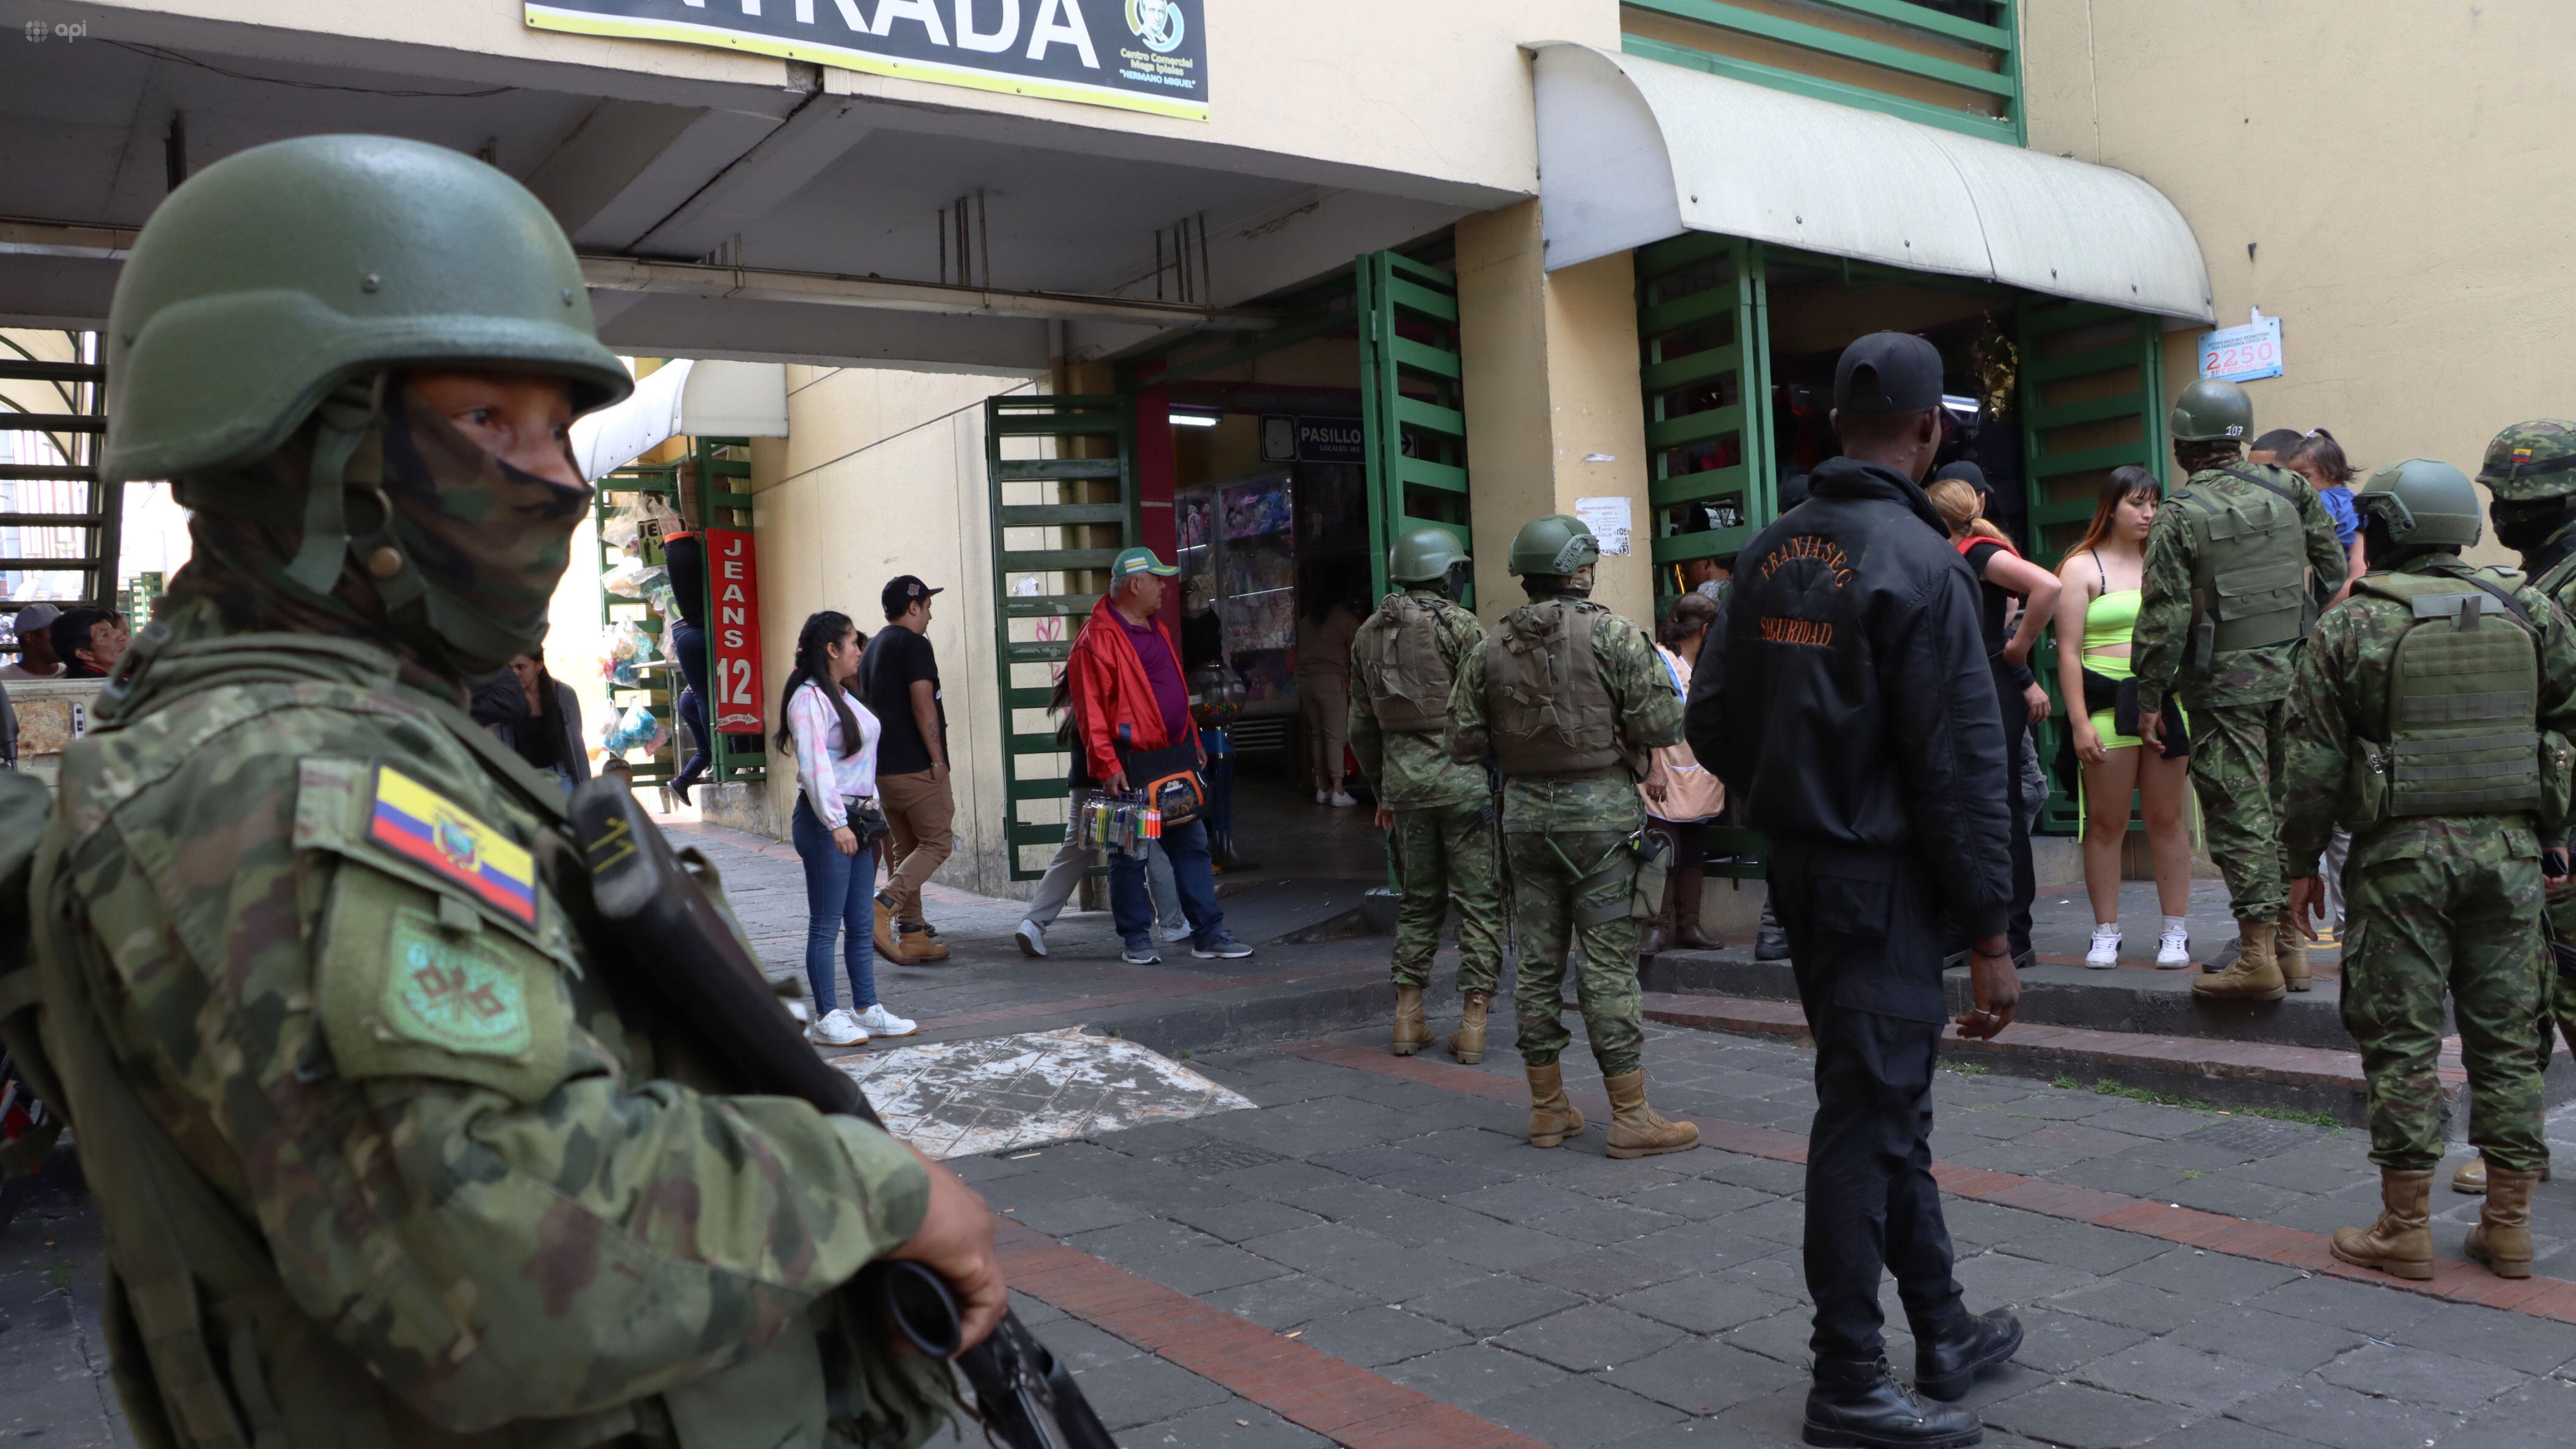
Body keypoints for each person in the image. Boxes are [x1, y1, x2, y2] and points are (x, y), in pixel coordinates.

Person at [1, 135, 986, 1445]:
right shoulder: (281, 776)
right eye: (488, 421)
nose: (560, 480)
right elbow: (503, 1262)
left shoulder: (333, 728)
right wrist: (877, 1187)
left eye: (560, 429)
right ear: (304, 446)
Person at [1690, 331, 2024, 1445]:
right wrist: (1989, 927)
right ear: (1928, 432)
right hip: (1878, 879)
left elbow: (1709, 718)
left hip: (1805, 868)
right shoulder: (1926, 562)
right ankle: (1846, 1378)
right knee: (1863, 1120)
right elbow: (1959, 763)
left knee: (1885, 1107)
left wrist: (1793, 787)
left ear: (1833, 424)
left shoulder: (1770, 548)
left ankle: (1940, 1324)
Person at [2279, 458, 2576, 1282]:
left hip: (2399, 861)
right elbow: (2569, 726)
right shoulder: (2534, 612)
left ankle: (2405, 1229)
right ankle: (2508, 1227)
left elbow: (2308, 760)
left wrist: (2301, 862)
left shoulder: (2350, 626)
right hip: (2511, 859)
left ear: (2392, 529)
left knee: (2402, 1039)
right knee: (2512, 1040)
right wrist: (2554, 832)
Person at [1449, 514, 1697, 1160]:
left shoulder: (1489, 647)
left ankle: (1548, 1108)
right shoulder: (1615, 633)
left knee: (1536, 966)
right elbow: (1664, 721)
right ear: (1581, 568)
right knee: (1608, 966)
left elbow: (1464, 738)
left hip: (1525, 820)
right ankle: (1631, 1114)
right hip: (1604, 824)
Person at [2131, 378, 2347, 999]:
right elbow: (2333, 572)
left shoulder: (2178, 513)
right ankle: (2290, 946)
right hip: (2294, 673)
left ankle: (2257, 956)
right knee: (2282, 806)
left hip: (2222, 683)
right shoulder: (2294, 489)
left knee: (2237, 810)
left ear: (2183, 443)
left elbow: (2165, 615)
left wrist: (2150, 697)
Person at [2454, 418, 2576, 1199]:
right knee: (2517, 984)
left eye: (2529, 501)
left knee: (2564, 977)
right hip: (2531, 817)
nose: (2510, 514)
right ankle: (2512, 1144)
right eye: (2504, 498)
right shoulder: (2533, 583)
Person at [1349, 526, 1503, 1060]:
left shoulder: (1368, 632)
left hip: (1405, 791)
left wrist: (1382, 790)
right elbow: (1492, 706)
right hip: (1464, 787)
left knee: (1417, 904)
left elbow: (1361, 727)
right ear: (1446, 574)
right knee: (1481, 905)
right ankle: (1473, 1026)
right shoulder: (1461, 626)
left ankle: (1408, 1020)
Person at [1067, 546, 1253, 964]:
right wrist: (1107, 765)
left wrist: (1195, 742)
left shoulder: (1157, 629)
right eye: (1158, 579)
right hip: (1128, 763)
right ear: (1136, 584)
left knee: (1192, 842)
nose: (1165, 588)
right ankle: (1136, 939)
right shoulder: (1095, 640)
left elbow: (1176, 693)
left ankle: (1209, 932)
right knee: (1128, 851)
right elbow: (1090, 712)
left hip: (1175, 755)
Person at [2054, 466, 2196, 969]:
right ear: (2111, 506)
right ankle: (2105, 930)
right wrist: (2078, 722)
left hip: (2163, 707)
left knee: (2167, 820)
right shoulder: (2080, 566)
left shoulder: (2166, 562)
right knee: (2107, 823)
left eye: (2154, 503)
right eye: (2138, 503)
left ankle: (2175, 931)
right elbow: (2068, 653)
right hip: (2107, 706)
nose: (2149, 513)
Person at [1926, 473, 2059, 965]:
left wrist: (2016, 651)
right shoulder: (1968, 553)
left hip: (1985, 689)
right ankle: (1985, 926)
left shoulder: (1978, 551)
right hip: (1977, 689)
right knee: (1980, 807)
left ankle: (2011, 930)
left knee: (1993, 808)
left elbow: (2047, 586)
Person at [780, 609, 916, 1047]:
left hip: (859, 821)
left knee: (860, 921)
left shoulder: (839, 693)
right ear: (831, 650)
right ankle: (826, 1015)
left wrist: (866, 816)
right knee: (826, 924)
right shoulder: (807, 699)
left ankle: (866, 1007)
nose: (861, 649)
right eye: (854, 643)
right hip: (829, 824)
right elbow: (815, 765)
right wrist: (837, 822)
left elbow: (858, 761)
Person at [1015, 667, 1193, 958]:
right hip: (1122, 784)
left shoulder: (1078, 702)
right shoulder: (1110, 696)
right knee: (1150, 847)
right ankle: (1172, 924)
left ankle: (1033, 923)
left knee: (1074, 851)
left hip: (1084, 789)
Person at [861, 574, 955, 964]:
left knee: (907, 848)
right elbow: (923, 705)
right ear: (913, 607)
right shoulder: (914, 645)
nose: (930, 615)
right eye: (928, 607)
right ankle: (883, 905)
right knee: (938, 843)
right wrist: (937, 760)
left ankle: (913, 933)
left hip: (882, 769)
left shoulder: (873, 648)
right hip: (916, 767)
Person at [1639, 591, 1725, 956]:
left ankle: (1689, 926)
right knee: (1661, 852)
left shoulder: (1708, 665)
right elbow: (1641, 718)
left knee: (1691, 853)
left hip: (1700, 772)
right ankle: (1656, 928)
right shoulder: (1658, 661)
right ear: (1705, 630)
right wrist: (1655, 768)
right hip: (1664, 772)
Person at [470, 651, 589, 795]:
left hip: (561, 776)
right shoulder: (506, 699)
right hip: (525, 780)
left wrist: (586, 787)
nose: (515, 673)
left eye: (521, 667)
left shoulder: (563, 694)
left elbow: (577, 745)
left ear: (539, 664)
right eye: (510, 668)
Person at [1295, 580, 1364, 806]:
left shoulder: (1306, 621)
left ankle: (1322, 787)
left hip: (1305, 681)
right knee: (1335, 735)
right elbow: (1361, 643)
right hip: (1329, 679)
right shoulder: (1342, 617)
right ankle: (1338, 790)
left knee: (1317, 734)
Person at [662, 525, 713, 802]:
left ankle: (681, 782)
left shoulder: (688, 626)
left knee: (706, 751)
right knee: (711, 747)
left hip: (688, 697)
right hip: (693, 696)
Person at [50, 606, 127, 679]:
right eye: (105, 635)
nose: (121, 636)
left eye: (112, 629)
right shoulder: (92, 689)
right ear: (85, 654)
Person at [1, 602, 64, 680]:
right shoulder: (3, 678)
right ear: (30, 637)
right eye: (56, 633)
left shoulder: (72, 674)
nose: (63, 639)